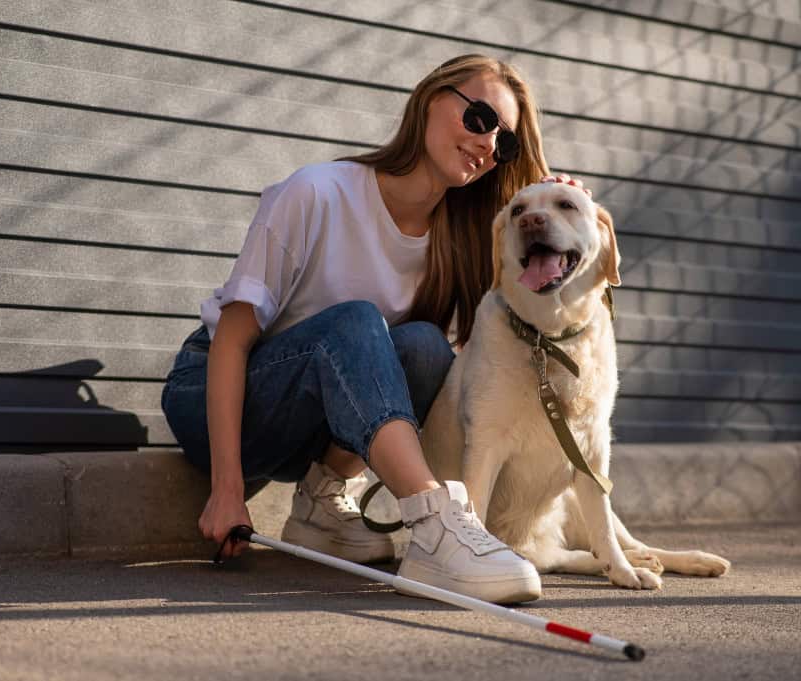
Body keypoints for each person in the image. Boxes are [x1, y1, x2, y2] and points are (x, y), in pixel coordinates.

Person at [161, 53, 552, 604]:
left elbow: (514, 310)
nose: (488, 145)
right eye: (482, 119)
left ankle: (322, 502)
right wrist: (227, 489)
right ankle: (435, 524)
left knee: (424, 347)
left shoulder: (458, 240)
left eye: (504, 143)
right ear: (430, 99)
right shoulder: (318, 192)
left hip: (310, 422)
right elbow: (231, 338)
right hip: (213, 395)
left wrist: (559, 207)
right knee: (355, 321)